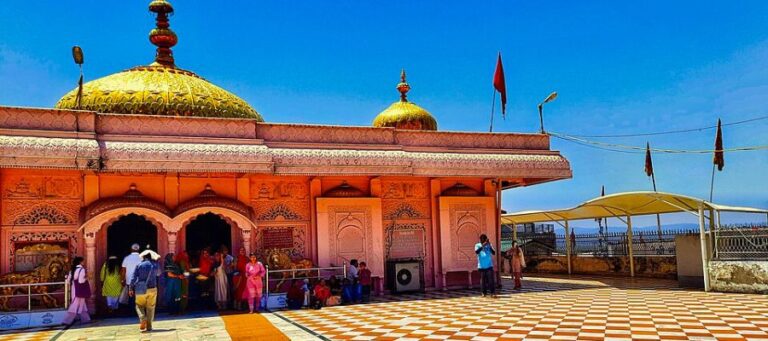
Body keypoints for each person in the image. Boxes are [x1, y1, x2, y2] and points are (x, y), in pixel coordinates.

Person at [130, 249, 160, 332]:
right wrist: (156, 261)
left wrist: (130, 288)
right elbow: (159, 274)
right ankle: (149, 326)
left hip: (140, 289)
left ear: (143, 257)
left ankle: (143, 318)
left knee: (139, 305)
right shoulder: (155, 265)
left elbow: (133, 278)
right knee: (150, 307)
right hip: (152, 288)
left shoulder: (139, 265)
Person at [62, 257, 91, 325]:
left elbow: (68, 280)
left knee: (82, 304)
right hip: (80, 289)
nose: (84, 262)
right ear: (80, 262)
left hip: (74, 289)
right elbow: (81, 281)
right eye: (83, 261)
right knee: (75, 305)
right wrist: (87, 277)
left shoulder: (72, 270)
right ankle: (66, 321)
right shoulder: (82, 270)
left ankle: (86, 319)